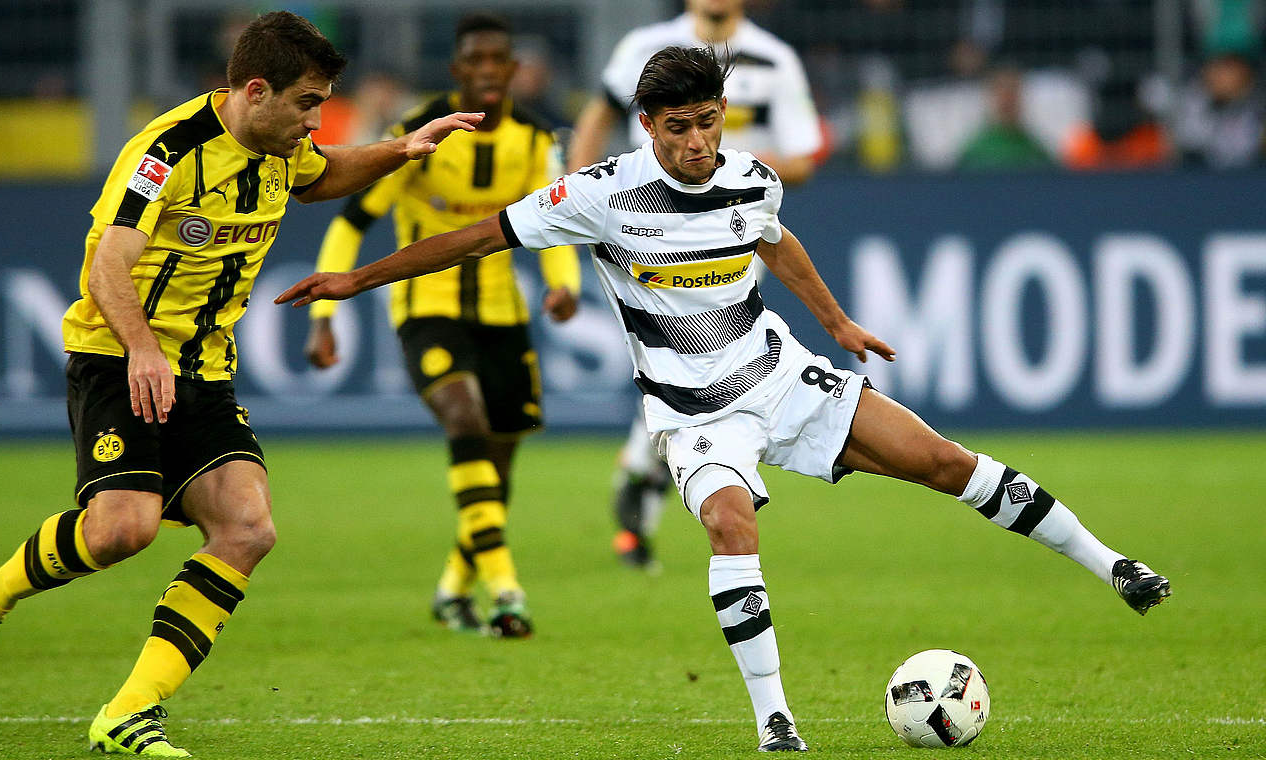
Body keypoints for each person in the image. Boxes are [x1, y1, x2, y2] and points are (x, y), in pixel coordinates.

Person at [276, 46, 1173, 753]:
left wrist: (838, 322)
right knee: (732, 527)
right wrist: (358, 279)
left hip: (781, 376)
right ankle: (775, 721)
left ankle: (1116, 567)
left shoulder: (750, 176)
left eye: (708, 123)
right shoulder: (600, 195)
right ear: (646, 126)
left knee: (945, 462)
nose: (697, 143)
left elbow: (775, 241)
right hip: (693, 413)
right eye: (679, 128)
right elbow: (479, 236)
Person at [0, 11, 481, 757]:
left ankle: (128, 712)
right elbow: (107, 265)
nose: (316, 119)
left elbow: (323, 178)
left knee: (249, 530)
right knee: (121, 530)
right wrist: (141, 350)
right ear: (256, 90)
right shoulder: (165, 153)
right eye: (307, 103)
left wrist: (399, 150)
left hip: (206, 370)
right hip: (115, 356)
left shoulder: (282, 147)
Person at [304, 13, 580, 638]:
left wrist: (565, 284)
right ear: (457, 72)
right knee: (464, 419)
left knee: (497, 465)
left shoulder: (539, 141)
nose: (487, 72)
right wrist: (325, 315)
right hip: (426, 310)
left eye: (497, 62)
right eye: (474, 62)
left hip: (503, 315)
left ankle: (453, 590)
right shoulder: (417, 135)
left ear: (513, 71)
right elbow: (352, 221)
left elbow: (558, 222)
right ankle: (508, 592)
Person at [568, 0, 824, 572]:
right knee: (690, 367)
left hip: (730, 234)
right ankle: (644, 485)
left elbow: (805, 159)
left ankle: (639, 476)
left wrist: (726, 167)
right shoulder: (645, 48)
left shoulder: (775, 60)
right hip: (646, 224)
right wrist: (577, 193)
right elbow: (596, 118)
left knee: (702, 370)